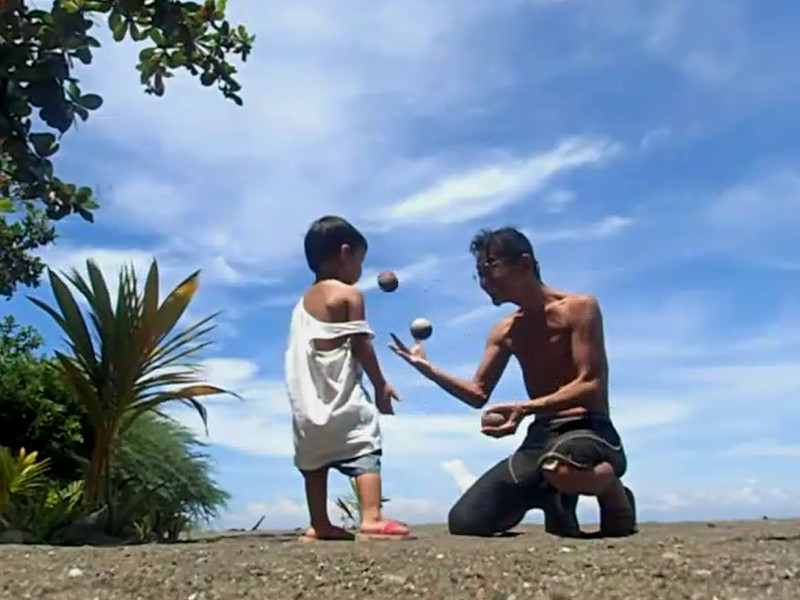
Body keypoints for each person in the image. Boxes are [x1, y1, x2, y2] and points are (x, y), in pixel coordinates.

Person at [389, 226, 637, 538]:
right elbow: (478, 393)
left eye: (490, 268)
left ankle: (613, 490)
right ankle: (552, 497)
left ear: (524, 263)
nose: (484, 282)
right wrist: (426, 368)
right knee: (467, 522)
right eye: (479, 274)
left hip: (588, 428)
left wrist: (525, 408)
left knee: (562, 468)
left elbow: (590, 384)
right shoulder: (505, 330)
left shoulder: (579, 308)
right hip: (540, 438)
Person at [284, 215, 411, 541]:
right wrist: (381, 384)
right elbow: (361, 344)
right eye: (360, 261)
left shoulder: (299, 306)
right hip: (341, 398)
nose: (360, 271)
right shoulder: (349, 294)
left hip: (307, 404)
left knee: (313, 461)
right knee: (365, 440)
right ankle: (371, 516)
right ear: (345, 253)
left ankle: (319, 523)